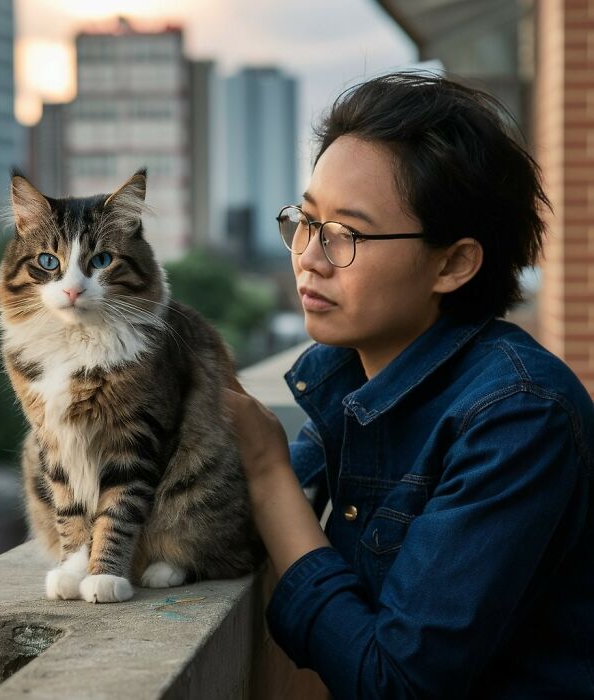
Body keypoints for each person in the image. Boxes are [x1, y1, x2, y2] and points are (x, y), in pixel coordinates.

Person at [223, 72, 594, 699]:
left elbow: (394, 683)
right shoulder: (352, 375)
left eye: (348, 235)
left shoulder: (518, 415)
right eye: (307, 221)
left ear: (452, 264)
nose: (310, 257)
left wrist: (266, 469)